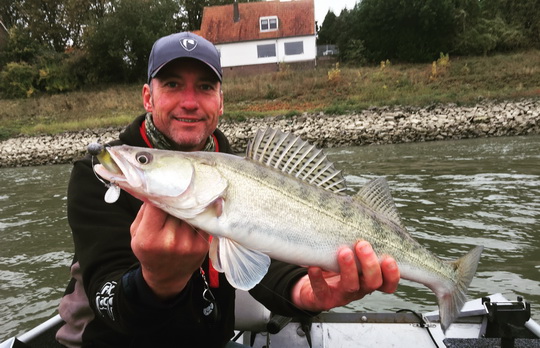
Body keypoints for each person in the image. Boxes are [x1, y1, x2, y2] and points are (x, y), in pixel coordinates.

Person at [56, 32, 400, 348]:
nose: (190, 102)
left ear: (220, 101)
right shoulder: (98, 175)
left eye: (205, 87)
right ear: (148, 97)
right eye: (173, 84)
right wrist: (155, 282)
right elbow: (106, 295)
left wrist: (303, 292)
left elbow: (262, 256)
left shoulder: (244, 172)